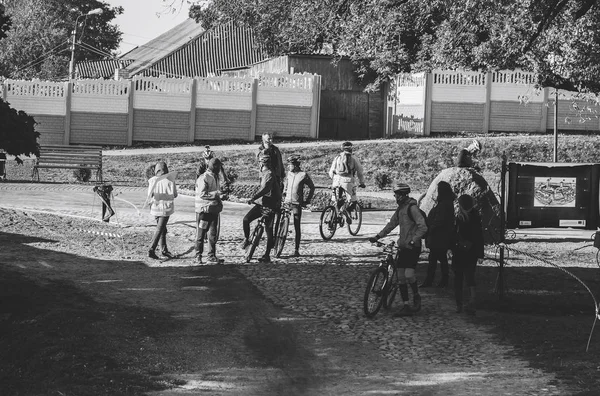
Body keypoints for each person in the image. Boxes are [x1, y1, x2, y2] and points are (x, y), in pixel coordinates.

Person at [368, 183, 428, 317]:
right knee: (400, 277)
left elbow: (423, 227)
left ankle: (416, 295)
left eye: (396, 194)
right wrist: (378, 236)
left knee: (408, 275)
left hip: (413, 247)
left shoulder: (412, 209)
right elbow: (391, 224)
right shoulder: (400, 209)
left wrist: (413, 240)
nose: (394, 197)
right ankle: (406, 305)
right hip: (403, 247)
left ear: (401, 195)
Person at [241, 148, 282, 263]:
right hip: (262, 203)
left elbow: (265, 189)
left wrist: (253, 197)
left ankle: (267, 255)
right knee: (246, 219)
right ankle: (247, 238)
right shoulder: (263, 173)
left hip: (270, 205)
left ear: (261, 163)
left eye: (259, 162)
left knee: (269, 230)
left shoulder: (269, 174)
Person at [452, 194, 484, 315]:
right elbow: (479, 237)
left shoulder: (460, 218)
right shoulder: (475, 216)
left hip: (460, 251)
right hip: (472, 251)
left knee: (458, 278)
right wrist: (480, 253)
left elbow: (454, 234)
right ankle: (471, 301)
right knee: (470, 277)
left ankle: (459, 304)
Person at [420, 181, 456, 288]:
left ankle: (434, 280)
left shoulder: (445, 204)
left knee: (435, 259)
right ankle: (438, 280)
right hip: (439, 236)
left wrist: (430, 229)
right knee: (438, 259)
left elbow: (440, 221)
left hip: (439, 236)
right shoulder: (445, 203)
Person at [282, 155, 315, 257]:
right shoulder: (289, 174)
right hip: (287, 202)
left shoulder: (303, 175)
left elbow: (311, 187)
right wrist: (284, 192)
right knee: (280, 221)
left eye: (290, 165)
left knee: (297, 225)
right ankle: (277, 242)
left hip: (296, 203)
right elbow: (286, 184)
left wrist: (307, 200)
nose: (288, 167)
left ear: (295, 165)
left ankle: (296, 249)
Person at [195, 158, 224, 264]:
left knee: (212, 234)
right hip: (204, 211)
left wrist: (220, 197)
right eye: (219, 167)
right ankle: (198, 255)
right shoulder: (204, 177)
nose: (220, 169)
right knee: (201, 234)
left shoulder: (215, 177)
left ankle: (211, 256)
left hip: (213, 210)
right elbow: (202, 194)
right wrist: (216, 194)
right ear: (215, 167)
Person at [147, 161, 178, 259]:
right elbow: (175, 195)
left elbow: (149, 195)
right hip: (166, 208)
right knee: (160, 229)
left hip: (155, 208)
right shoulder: (170, 179)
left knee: (162, 229)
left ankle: (164, 250)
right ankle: (151, 249)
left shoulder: (152, 180)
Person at [328, 141, 365, 221]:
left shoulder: (337, 157)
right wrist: (362, 182)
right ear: (351, 149)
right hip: (348, 181)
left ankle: (332, 220)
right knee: (353, 201)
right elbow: (360, 172)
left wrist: (333, 178)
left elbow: (331, 171)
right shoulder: (354, 158)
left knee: (335, 200)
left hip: (336, 180)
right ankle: (346, 210)